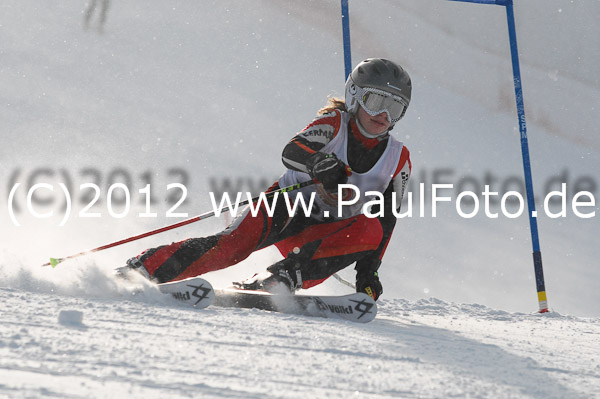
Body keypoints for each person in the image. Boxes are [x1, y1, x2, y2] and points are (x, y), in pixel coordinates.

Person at [120, 58, 412, 301]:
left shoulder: (398, 159)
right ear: (355, 97)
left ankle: (278, 279)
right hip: (285, 208)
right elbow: (292, 151)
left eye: (395, 108)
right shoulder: (334, 124)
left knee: (370, 229)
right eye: (375, 102)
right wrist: (319, 163)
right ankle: (143, 268)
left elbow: (386, 219)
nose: (384, 115)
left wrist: (369, 271)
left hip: (323, 237)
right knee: (230, 249)